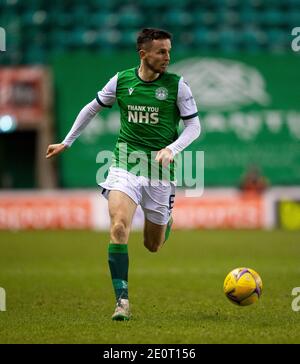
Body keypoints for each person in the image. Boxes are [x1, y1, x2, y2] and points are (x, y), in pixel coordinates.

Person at [46, 28, 201, 321]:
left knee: (152, 245)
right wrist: (67, 141)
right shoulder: (122, 80)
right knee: (118, 227)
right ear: (143, 54)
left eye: (169, 51)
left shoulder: (178, 86)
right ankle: (122, 302)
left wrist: (173, 148)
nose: (168, 57)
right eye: (161, 52)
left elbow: (194, 127)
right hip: (124, 164)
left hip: (160, 171)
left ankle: (165, 219)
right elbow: (91, 108)